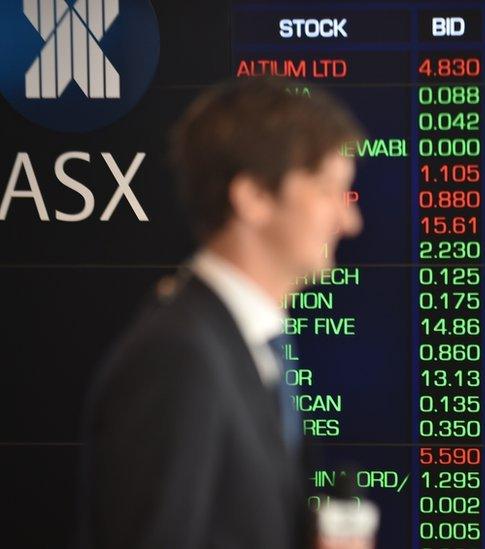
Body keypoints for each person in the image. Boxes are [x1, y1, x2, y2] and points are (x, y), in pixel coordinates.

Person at [78, 78, 363, 549]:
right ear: (252, 197)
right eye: (328, 189)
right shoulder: (177, 357)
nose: (349, 220)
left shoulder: (243, 345)